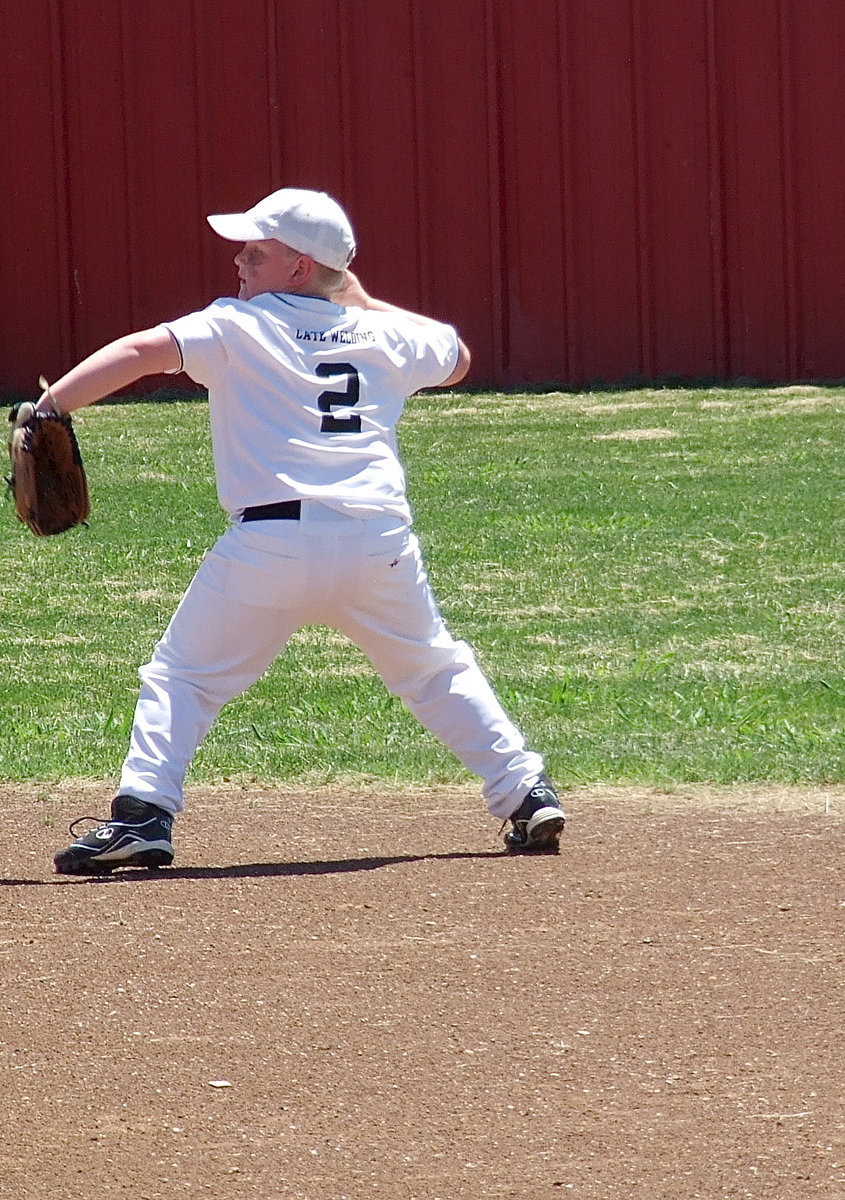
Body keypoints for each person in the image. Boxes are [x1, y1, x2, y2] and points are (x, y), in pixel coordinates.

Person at [38, 188, 565, 873]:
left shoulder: (235, 324)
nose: (239, 259)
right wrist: (362, 303)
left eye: (257, 251)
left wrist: (48, 407)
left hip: (270, 545)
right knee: (433, 670)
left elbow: (142, 351)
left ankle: (142, 815)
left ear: (296, 268)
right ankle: (525, 791)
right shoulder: (385, 333)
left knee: (184, 676)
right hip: (377, 543)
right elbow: (458, 357)